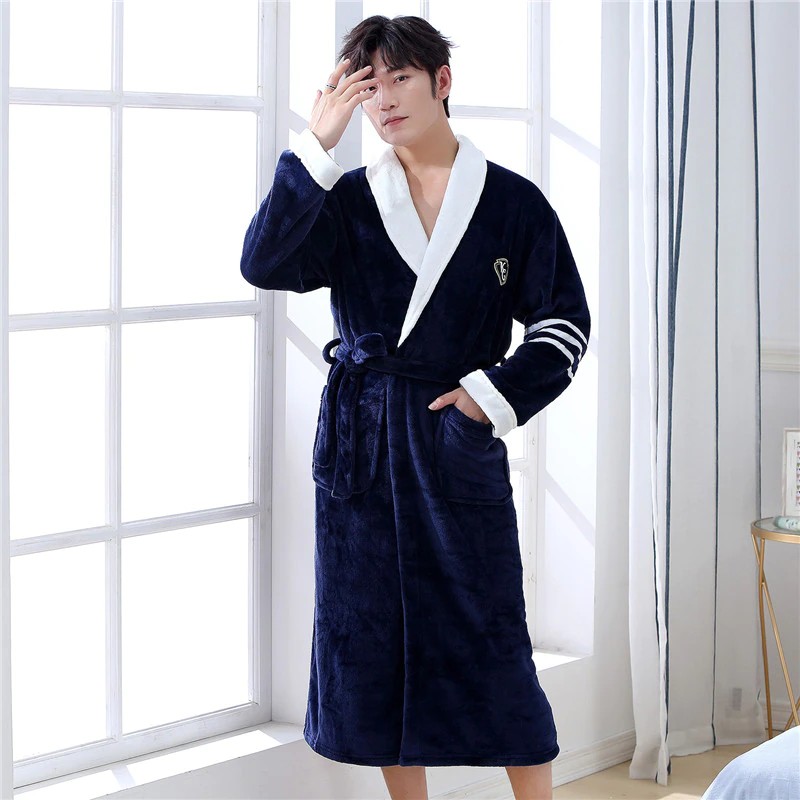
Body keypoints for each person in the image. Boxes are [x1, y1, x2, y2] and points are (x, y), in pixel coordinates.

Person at [240, 14, 590, 800]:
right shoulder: (347, 200)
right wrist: (315, 146)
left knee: (494, 643)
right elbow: (262, 262)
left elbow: (565, 324)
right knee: (377, 648)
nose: (386, 100)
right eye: (369, 88)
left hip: (452, 440)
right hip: (363, 448)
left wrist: (484, 402)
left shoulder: (512, 204)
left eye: (400, 78)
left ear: (442, 81)